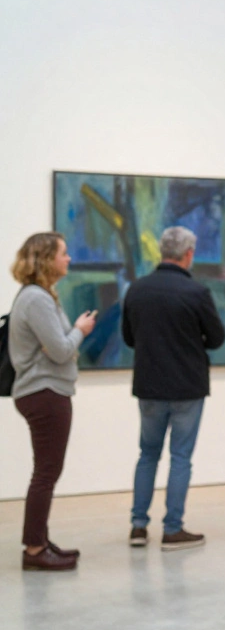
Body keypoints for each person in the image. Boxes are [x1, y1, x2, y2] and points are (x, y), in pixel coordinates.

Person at [122, 225, 225, 551]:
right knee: (180, 458)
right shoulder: (196, 293)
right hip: (187, 387)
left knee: (147, 455)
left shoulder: (137, 289)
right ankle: (172, 529)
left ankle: (138, 528)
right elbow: (218, 338)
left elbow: (128, 338)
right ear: (189, 254)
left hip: (149, 386)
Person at [8, 232, 96, 571]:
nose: (69, 258)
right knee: (46, 473)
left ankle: (40, 541)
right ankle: (34, 549)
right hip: (43, 393)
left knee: (47, 471)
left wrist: (64, 339)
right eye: (63, 253)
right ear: (46, 259)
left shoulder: (41, 296)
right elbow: (60, 350)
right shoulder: (37, 300)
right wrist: (80, 329)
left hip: (46, 391)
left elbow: (55, 347)